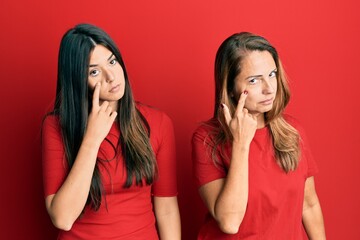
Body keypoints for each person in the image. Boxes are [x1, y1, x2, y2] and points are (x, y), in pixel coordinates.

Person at [42, 23, 181, 240]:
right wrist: (92, 138)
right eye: (95, 71)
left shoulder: (158, 123)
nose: (111, 76)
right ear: (78, 81)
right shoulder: (56, 127)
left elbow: (167, 208)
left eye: (112, 61)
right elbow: (63, 217)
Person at [192, 32, 326, 239]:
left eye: (272, 74)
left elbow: (309, 205)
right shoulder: (206, 138)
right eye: (254, 80)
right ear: (231, 88)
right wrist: (241, 143)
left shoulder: (292, 131)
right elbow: (229, 222)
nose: (269, 89)